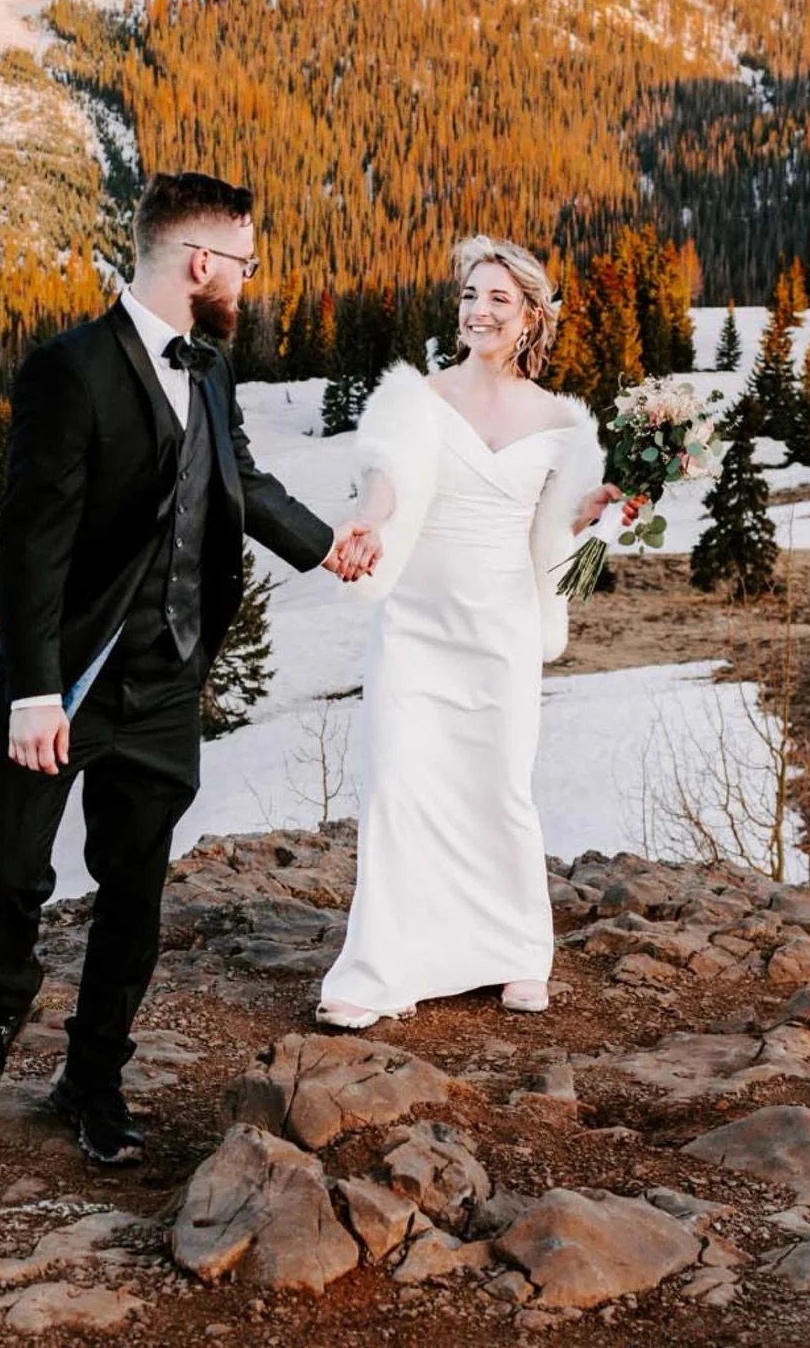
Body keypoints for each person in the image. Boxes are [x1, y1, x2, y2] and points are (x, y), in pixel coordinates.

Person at [0, 172, 378, 1162]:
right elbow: (33, 542)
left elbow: (239, 481)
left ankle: (93, 1078)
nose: (248, 285)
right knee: (10, 869)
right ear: (199, 264)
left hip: (167, 682)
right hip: (68, 678)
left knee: (133, 895)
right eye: (244, 266)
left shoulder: (212, 369)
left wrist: (325, 547)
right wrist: (35, 691)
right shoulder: (71, 369)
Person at [317, 235, 635, 1028]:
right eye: (469, 297)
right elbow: (387, 475)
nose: (479, 312)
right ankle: (382, 966)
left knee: (498, 788)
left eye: (498, 299)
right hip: (417, 626)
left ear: (531, 316)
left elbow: (559, 532)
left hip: (501, 626)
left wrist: (600, 513)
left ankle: (517, 952)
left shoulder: (566, 423)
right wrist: (368, 518)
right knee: (399, 785)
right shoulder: (415, 398)